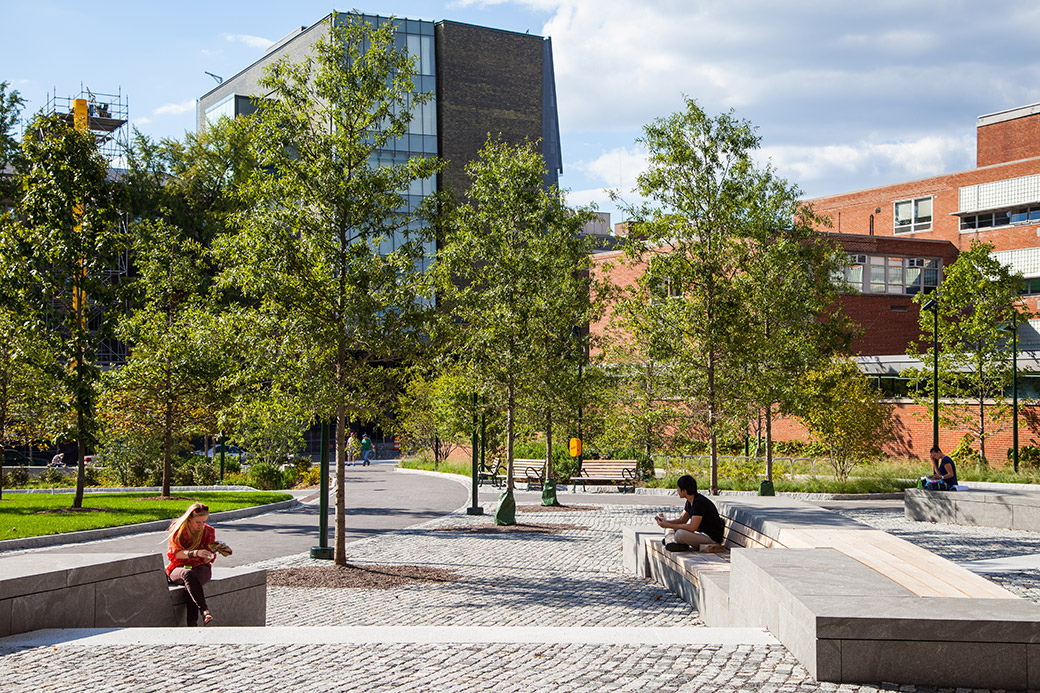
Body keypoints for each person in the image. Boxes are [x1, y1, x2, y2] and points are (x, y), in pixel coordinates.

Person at [166, 502, 220, 626]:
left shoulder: (208, 531)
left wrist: (209, 556)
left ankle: (193, 623)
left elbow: (209, 556)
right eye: (198, 522)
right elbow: (175, 554)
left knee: (191, 584)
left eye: (204, 522)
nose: (201, 525)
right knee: (188, 575)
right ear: (189, 519)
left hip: (201, 567)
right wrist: (196, 553)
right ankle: (204, 611)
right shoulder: (177, 528)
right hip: (178, 566)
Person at [655, 475, 725, 551]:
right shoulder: (690, 501)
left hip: (710, 539)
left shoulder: (699, 503)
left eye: (678, 488)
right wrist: (665, 522)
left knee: (679, 534)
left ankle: (672, 542)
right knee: (669, 529)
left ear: (684, 491)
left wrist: (669, 525)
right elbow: (681, 520)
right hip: (699, 535)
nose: (677, 490)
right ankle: (675, 543)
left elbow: (692, 527)